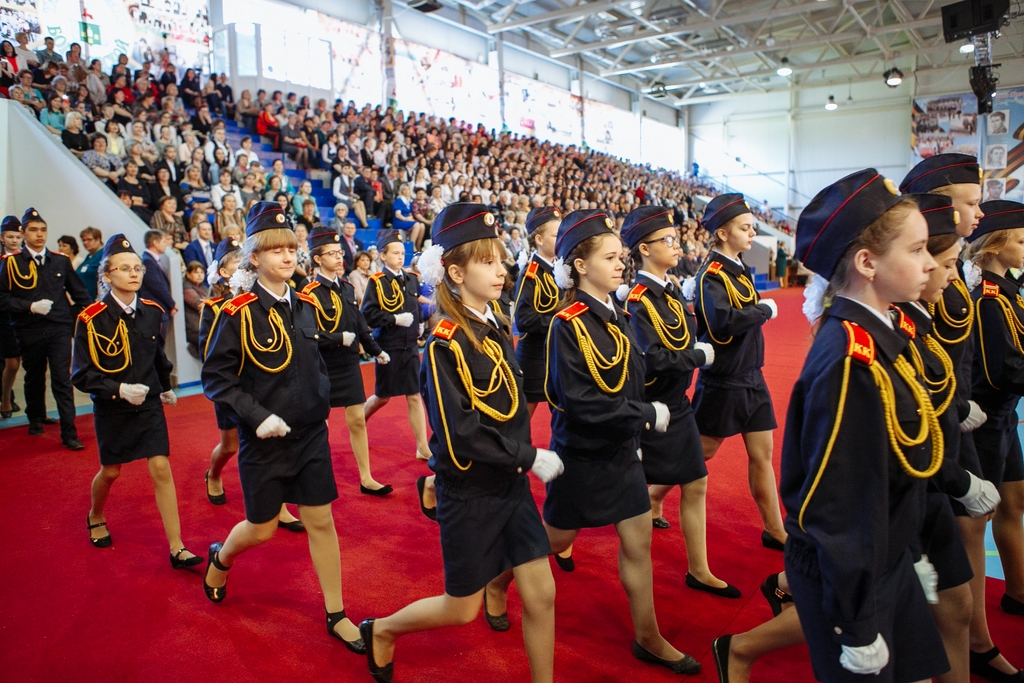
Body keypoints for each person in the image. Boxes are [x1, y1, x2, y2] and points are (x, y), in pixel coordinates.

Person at [755, 170, 950, 683]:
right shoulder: (850, 360)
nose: (931, 263)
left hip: (885, 553)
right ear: (867, 263)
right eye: (917, 250)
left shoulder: (883, 333)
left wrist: (911, 551)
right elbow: (838, 508)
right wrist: (857, 621)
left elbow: (894, 471)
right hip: (850, 572)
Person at [359, 203, 560, 683]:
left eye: (501, 259)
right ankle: (382, 629)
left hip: (509, 483)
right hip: (471, 491)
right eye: (487, 261)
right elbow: (458, 434)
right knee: (461, 608)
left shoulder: (492, 324)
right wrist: (529, 455)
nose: (501, 269)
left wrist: (521, 459)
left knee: (542, 594)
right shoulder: (445, 342)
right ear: (455, 272)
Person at [526, 208, 698, 675]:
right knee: (552, 540)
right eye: (610, 257)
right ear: (581, 265)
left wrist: (634, 431)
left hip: (621, 452)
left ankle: (648, 636)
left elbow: (630, 379)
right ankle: (498, 584)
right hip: (582, 457)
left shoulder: (616, 313)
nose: (621, 263)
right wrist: (645, 415)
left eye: (622, 256)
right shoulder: (567, 323)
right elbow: (580, 402)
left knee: (638, 542)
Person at [199, 202, 366, 654]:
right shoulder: (237, 312)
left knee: (321, 521)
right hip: (265, 441)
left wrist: (319, 399)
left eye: (292, 248)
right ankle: (221, 557)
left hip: (310, 434)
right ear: (254, 258)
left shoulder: (306, 303)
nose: (288, 256)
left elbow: (315, 363)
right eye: (276, 250)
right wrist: (258, 417)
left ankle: (336, 613)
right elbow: (217, 379)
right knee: (262, 528)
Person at [899, 154, 1024, 681]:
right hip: (933, 428)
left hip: (957, 416)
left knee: (969, 531)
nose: (979, 212)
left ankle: (975, 639)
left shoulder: (951, 275)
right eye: (971, 202)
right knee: (887, 568)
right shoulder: (916, 279)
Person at [619, 206, 739, 600]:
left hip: (677, 403)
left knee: (696, 481)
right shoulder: (639, 300)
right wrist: (696, 356)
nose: (676, 245)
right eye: (667, 240)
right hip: (649, 408)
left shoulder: (669, 291)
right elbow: (653, 357)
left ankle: (699, 569)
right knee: (621, 497)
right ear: (644, 249)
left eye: (675, 238)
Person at [72, 233, 201, 567]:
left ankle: (177, 547)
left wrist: (164, 385)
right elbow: (81, 374)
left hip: (147, 403)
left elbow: (156, 355)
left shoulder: (151, 311)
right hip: (112, 406)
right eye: (124, 268)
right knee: (111, 471)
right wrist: (118, 389)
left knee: (160, 467)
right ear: (107, 275)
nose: (133, 274)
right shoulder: (91, 318)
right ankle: (95, 514)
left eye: (137, 268)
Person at [692, 194, 785, 549]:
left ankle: (775, 529)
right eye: (745, 228)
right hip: (725, 380)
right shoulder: (712, 276)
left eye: (751, 228)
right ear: (723, 233)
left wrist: (759, 310)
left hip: (751, 376)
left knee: (763, 455)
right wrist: (763, 310)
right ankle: (653, 496)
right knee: (699, 454)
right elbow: (724, 322)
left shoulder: (738, 269)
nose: (752, 233)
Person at [198, 237, 302, 529]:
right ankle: (213, 474)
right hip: (235, 390)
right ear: (224, 272)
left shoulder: (267, 301)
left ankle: (280, 505)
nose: (243, 266)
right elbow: (211, 357)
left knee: (278, 444)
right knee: (230, 445)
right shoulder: (216, 308)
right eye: (236, 262)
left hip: (266, 386)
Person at [965, 202, 1024, 649]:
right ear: (995, 245)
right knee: (978, 518)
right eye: (1020, 239)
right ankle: (973, 631)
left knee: (1014, 501)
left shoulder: (1009, 290)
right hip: (985, 420)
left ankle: (1018, 591)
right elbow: (1003, 370)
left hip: (1004, 415)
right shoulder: (989, 297)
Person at [303, 225, 392, 494]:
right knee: (320, 424)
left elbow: (359, 324)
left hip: (348, 364)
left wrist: (376, 350)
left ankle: (366, 477)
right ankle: (318, 477)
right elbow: (307, 334)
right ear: (317, 259)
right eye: (331, 253)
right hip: (322, 365)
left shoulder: (347, 287)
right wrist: (336, 338)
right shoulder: (309, 293)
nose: (338, 257)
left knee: (357, 420)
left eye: (340, 252)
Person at [0, 208, 90, 448]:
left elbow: (80, 293)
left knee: (62, 378)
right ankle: (35, 417)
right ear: (23, 233)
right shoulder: (11, 263)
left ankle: (69, 433)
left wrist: (82, 317)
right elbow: (3, 298)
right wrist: (29, 306)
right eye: (33, 230)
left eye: (43, 230)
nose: (39, 235)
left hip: (58, 327)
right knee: (34, 375)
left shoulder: (60, 260)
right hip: (28, 328)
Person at [361, 231, 431, 461]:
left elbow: (415, 305)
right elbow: (368, 314)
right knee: (383, 396)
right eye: (395, 253)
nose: (400, 257)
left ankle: (422, 446)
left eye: (402, 253)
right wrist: (393, 319)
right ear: (383, 256)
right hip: (388, 345)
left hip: (409, 345)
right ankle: (359, 421)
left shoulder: (411, 279)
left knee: (414, 394)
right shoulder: (377, 282)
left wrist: (419, 322)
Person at [0, 217, 24, 419]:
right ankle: (6, 398)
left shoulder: (27, 259)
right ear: (2, 238)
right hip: (3, 316)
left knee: (21, 362)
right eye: (10, 237)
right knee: (12, 362)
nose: (14, 240)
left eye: (17, 237)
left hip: (24, 315)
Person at [139, 230, 177, 332]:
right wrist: (172, 304)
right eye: (163, 242)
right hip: (155, 310)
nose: (166, 245)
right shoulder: (147, 261)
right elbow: (157, 287)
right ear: (155, 243)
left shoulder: (151, 260)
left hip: (160, 310)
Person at [77, 227, 104, 302]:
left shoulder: (103, 255)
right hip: (83, 299)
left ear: (98, 239)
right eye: (83, 240)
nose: (85, 243)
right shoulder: (89, 256)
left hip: (96, 299)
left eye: (89, 240)